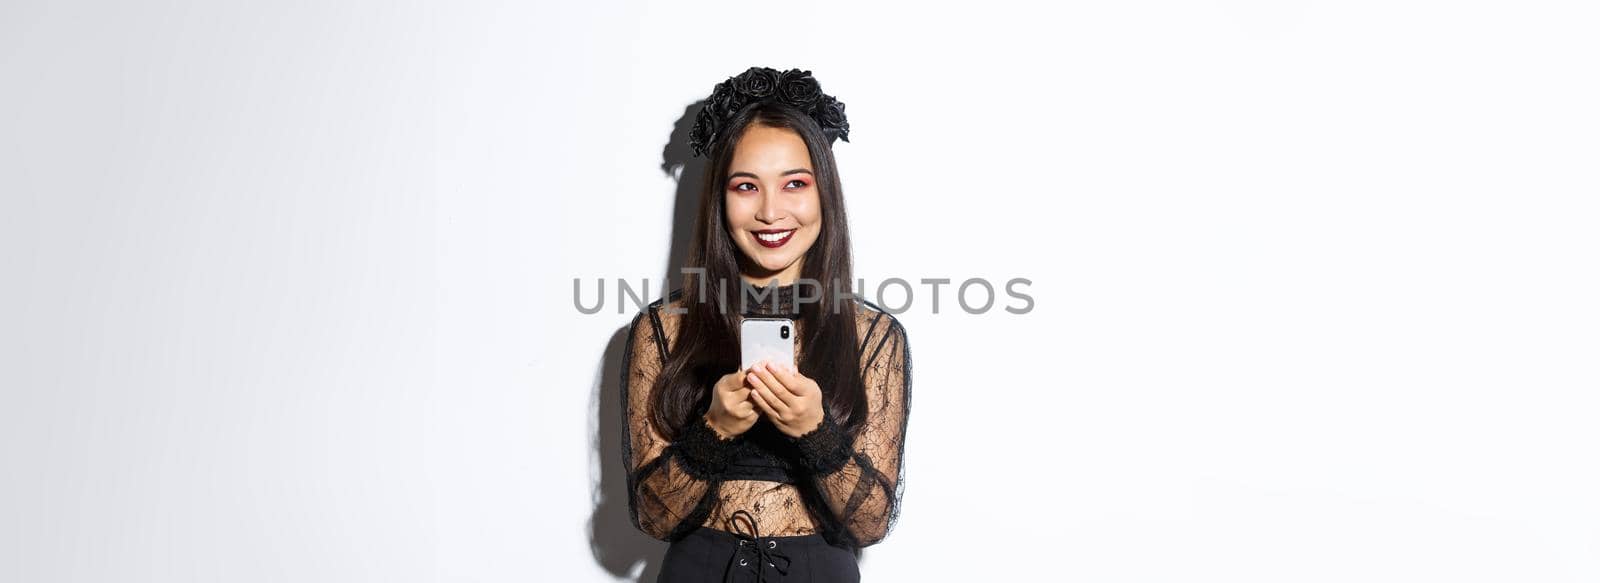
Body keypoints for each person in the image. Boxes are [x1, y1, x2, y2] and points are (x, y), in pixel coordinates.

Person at [621, 67, 912, 583]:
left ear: (824, 193)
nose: (771, 212)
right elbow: (652, 516)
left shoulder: (872, 335)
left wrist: (814, 433)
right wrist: (714, 431)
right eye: (746, 186)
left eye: (794, 184)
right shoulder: (663, 328)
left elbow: (870, 523)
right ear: (721, 199)